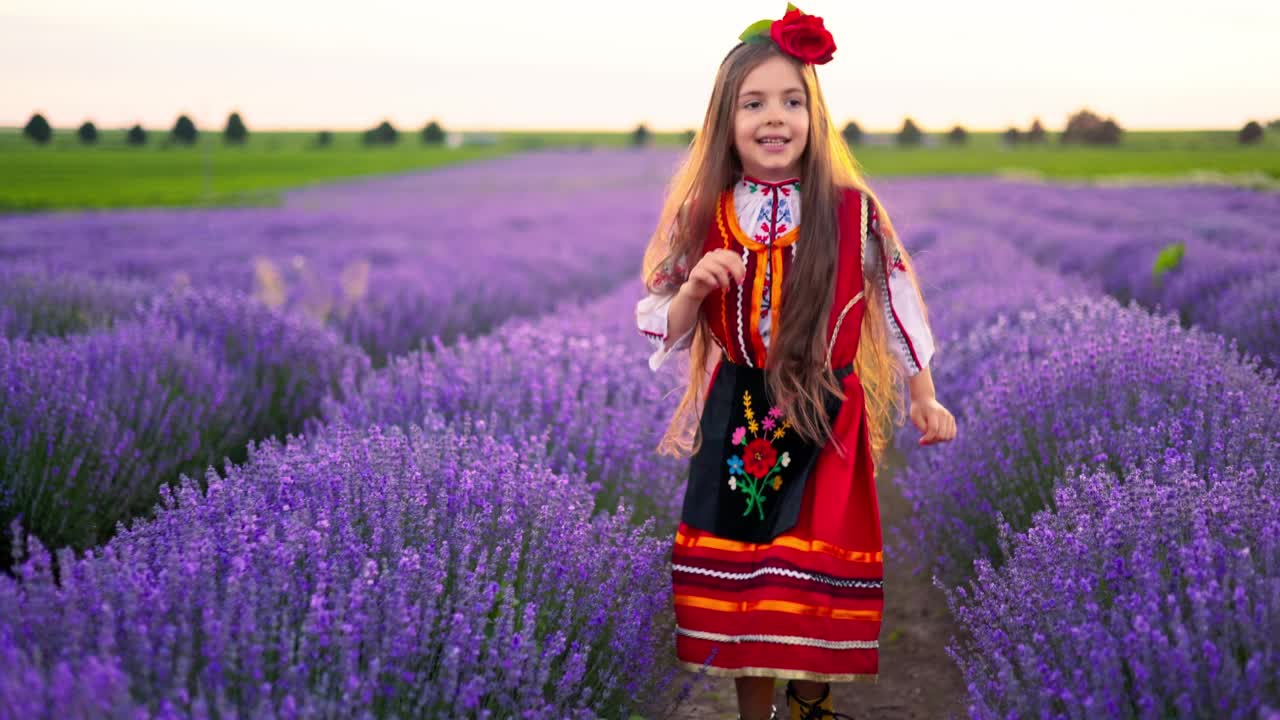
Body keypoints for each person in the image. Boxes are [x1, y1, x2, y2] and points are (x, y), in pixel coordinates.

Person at [634, 6, 957, 720]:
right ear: (727, 120)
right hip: (740, 414)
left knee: (806, 588)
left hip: (826, 418)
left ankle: (813, 708)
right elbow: (664, 326)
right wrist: (694, 287)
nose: (774, 118)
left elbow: (898, 301)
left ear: (815, 117)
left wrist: (924, 394)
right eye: (754, 104)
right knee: (745, 589)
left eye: (791, 101)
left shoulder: (852, 212)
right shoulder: (705, 214)